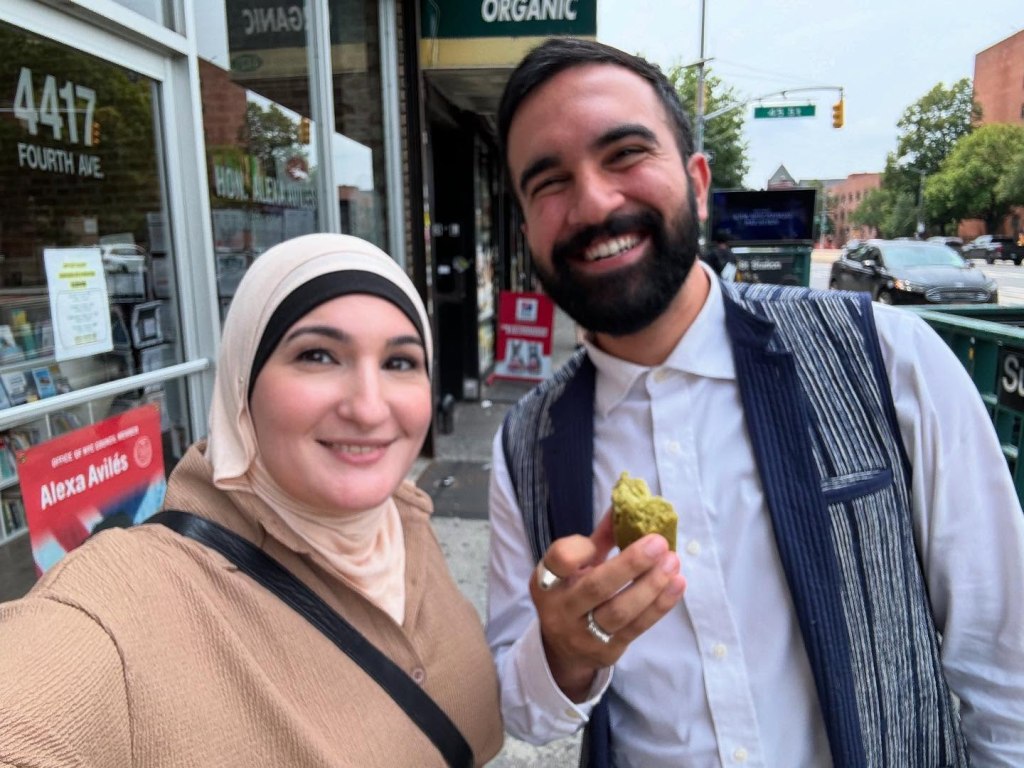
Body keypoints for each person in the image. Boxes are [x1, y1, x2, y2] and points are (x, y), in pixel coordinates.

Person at [485, 37, 1024, 767]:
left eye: (625, 155)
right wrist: (562, 651)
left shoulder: (887, 359)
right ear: (526, 230)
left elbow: (1006, 667)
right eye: (548, 182)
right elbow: (524, 714)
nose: (593, 202)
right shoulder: (524, 447)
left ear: (698, 182)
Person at [0, 233, 503, 767]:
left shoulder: (405, 520)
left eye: (400, 362)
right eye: (318, 355)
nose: (369, 407)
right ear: (243, 383)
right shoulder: (125, 602)